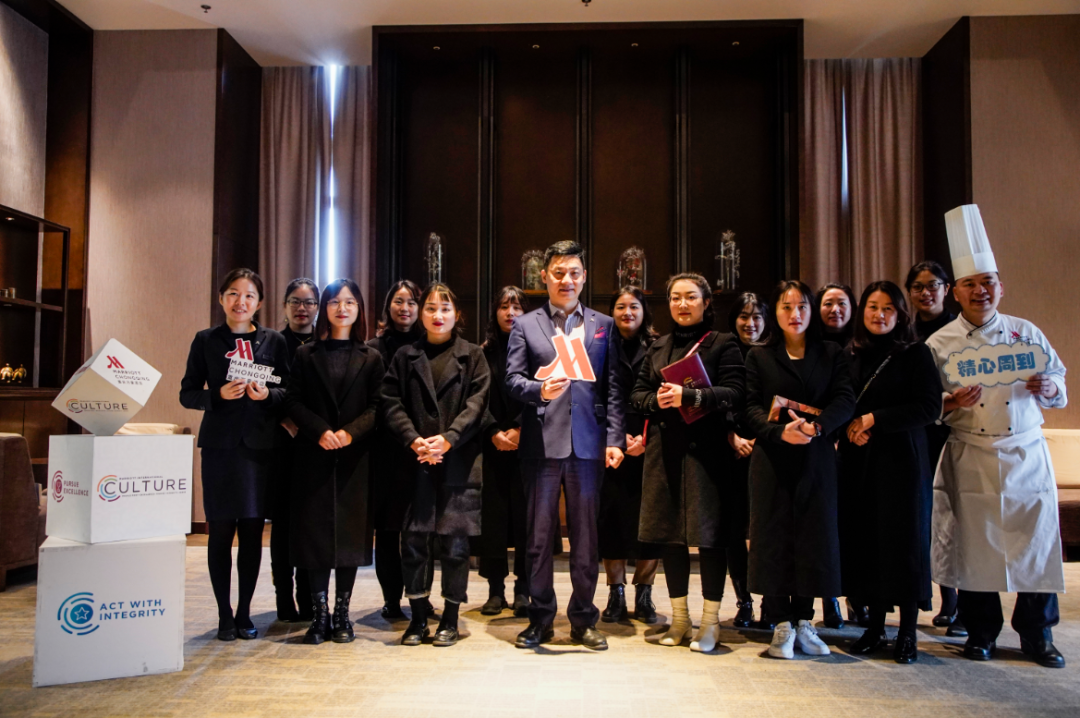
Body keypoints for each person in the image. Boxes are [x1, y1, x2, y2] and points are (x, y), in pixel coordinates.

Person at [926, 205, 1068, 668]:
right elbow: (923, 405)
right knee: (976, 549)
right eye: (970, 283)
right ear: (956, 293)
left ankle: (1038, 635)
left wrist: (1049, 388)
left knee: (1037, 548)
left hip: (1025, 453)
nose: (980, 290)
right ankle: (981, 632)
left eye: (987, 281)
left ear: (1000, 287)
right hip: (971, 454)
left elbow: (1059, 382)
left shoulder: (1026, 333)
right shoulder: (939, 344)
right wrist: (950, 403)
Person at [505, 240, 626, 651]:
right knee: (538, 538)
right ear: (545, 277)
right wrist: (538, 390)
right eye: (558, 273)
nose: (566, 280)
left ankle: (583, 619)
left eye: (574, 273)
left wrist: (614, 439)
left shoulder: (603, 324)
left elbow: (613, 388)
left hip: (588, 445)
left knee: (586, 537)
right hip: (541, 443)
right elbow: (512, 380)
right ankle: (540, 619)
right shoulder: (526, 324)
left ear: (584, 277)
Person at [631, 274, 745, 652]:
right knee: (671, 538)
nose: (682, 304)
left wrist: (691, 396)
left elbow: (735, 392)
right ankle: (680, 619)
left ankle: (710, 623)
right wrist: (657, 401)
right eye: (675, 298)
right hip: (665, 452)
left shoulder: (723, 343)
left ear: (706, 302)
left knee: (710, 538)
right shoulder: (658, 346)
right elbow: (638, 394)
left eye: (691, 297)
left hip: (707, 453)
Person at [744, 280, 855, 659]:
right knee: (774, 536)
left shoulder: (831, 352)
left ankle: (805, 621)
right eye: (786, 307)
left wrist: (817, 427)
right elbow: (749, 407)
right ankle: (780, 622)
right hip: (772, 458)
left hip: (816, 456)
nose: (795, 314)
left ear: (812, 311)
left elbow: (845, 398)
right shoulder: (759, 355)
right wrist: (778, 432)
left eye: (802, 306)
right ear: (775, 312)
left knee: (813, 536)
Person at [180, 268, 291, 641]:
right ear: (221, 298)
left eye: (248, 296)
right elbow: (187, 393)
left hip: (259, 451)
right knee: (220, 533)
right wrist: (217, 395)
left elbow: (288, 390)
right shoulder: (206, 340)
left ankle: (244, 612)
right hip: (219, 450)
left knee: (252, 533)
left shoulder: (274, 341)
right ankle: (224, 614)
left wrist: (268, 395)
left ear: (259, 303)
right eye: (232, 293)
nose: (240, 301)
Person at [381, 282, 491, 647]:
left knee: (455, 546)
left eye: (445, 309)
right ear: (421, 314)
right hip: (414, 462)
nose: (437, 315)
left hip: (459, 462)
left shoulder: (473, 355)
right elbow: (390, 403)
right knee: (413, 542)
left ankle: (450, 619)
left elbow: (477, 405)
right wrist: (414, 439)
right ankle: (417, 618)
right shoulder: (405, 355)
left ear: (457, 315)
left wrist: (448, 438)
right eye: (430, 308)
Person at [838, 281, 942, 664]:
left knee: (904, 545)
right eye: (872, 307)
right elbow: (840, 402)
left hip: (903, 463)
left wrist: (873, 420)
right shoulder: (850, 353)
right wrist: (849, 428)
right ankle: (875, 627)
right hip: (860, 461)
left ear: (900, 314)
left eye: (888, 309)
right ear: (861, 311)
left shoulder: (916, 353)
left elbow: (929, 407)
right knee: (868, 542)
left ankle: (908, 632)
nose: (879, 315)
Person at [284, 279, 382, 644]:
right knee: (315, 538)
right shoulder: (305, 355)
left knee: (349, 538)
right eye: (335, 302)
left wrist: (350, 433)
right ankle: (319, 614)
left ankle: (343, 614)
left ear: (359, 310)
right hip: (313, 456)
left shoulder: (371, 356)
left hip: (355, 460)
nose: (342, 308)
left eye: (350, 302)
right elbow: (292, 401)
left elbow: (379, 406)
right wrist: (320, 431)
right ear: (324, 308)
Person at [905, 261, 965, 637]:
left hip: (956, 433)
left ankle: (957, 600)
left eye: (933, 285)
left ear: (947, 289)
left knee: (956, 515)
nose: (925, 293)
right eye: (917, 286)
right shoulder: (906, 333)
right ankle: (942, 596)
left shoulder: (962, 332)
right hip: (918, 435)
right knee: (926, 516)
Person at [366, 280, 432, 621]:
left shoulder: (428, 346)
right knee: (389, 531)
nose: (405, 308)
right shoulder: (372, 348)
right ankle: (391, 598)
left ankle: (421, 597)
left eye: (411, 302)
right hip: (385, 451)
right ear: (388, 306)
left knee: (422, 530)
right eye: (398, 301)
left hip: (423, 449)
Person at [598, 287, 662, 624]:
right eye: (620, 306)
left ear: (643, 311)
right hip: (610, 444)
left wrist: (646, 438)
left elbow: (664, 397)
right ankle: (616, 592)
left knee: (650, 521)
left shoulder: (660, 346)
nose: (627, 313)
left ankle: (645, 594)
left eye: (634, 306)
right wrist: (615, 436)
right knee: (612, 520)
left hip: (651, 442)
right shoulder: (599, 346)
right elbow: (594, 396)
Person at [471, 286, 531, 617]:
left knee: (525, 520)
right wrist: (493, 431)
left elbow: (544, 395)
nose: (511, 313)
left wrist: (521, 428)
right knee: (493, 520)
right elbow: (475, 399)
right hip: (491, 445)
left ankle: (524, 589)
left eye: (518, 307)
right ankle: (496, 590)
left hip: (528, 446)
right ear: (494, 313)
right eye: (504, 307)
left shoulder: (538, 350)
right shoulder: (482, 353)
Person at [270, 278, 318, 623]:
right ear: (284, 306)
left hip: (314, 444)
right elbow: (264, 388)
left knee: (308, 524)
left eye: (309, 302)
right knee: (283, 525)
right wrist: (286, 419)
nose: (302, 308)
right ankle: (283, 598)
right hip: (280, 445)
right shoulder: (272, 343)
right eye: (295, 301)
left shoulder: (324, 343)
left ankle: (308, 596)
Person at [814, 281, 863, 628]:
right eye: (828, 303)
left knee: (854, 528)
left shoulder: (864, 346)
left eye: (842, 303)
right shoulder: (811, 347)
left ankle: (857, 598)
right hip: (821, 445)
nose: (835, 310)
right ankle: (829, 598)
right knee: (824, 528)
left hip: (859, 445)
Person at [725, 292, 771, 628]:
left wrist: (763, 437)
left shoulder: (774, 352)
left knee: (766, 531)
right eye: (744, 316)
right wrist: (731, 436)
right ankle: (744, 601)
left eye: (757, 317)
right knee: (733, 532)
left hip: (769, 448)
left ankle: (771, 601)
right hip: (731, 451)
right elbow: (715, 400)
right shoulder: (724, 350)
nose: (750, 323)